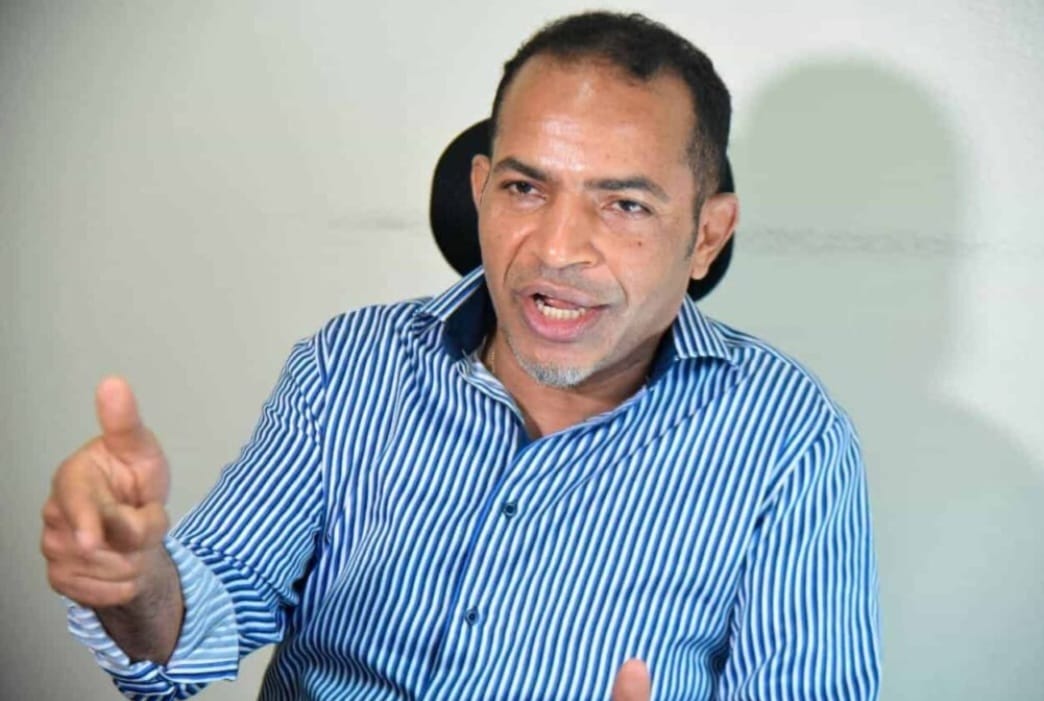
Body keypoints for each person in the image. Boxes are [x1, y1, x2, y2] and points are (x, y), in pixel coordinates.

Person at [41, 11, 880, 701]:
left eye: (624, 204)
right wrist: (134, 579)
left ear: (707, 235)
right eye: (525, 188)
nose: (556, 248)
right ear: (479, 191)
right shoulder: (348, 368)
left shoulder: (788, 441)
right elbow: (196, 619)